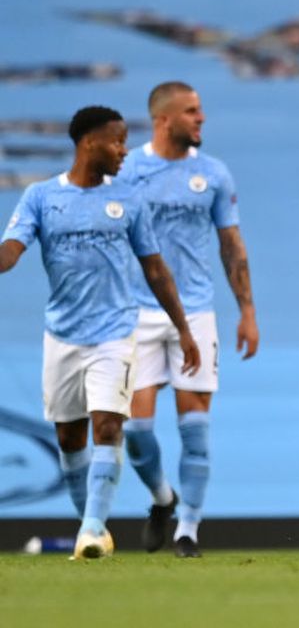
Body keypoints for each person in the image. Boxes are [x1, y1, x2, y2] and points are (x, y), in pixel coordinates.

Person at [0, 105, 199, 559]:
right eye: (117, 141)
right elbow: (12, 250)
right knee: (70, 439)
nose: (124, 151)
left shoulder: (128, 200)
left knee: (108, 424)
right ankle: (94, 526)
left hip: (114, 333)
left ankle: (91, 530)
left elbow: (155, 268)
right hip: (63, 337)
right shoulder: (41, 196)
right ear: (89, 142)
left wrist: (183, 329)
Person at [117, 82, 259, 558]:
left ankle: (188, 531)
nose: (201, 119)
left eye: (201, 110)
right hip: (136, 312)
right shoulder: (128, 170)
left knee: (194, 427)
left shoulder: (213, 174)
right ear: (163, 120)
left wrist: (247, 311)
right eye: (192, 112)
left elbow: (231, 245)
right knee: (135, 431)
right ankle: (162, 498)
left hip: (195, 313)